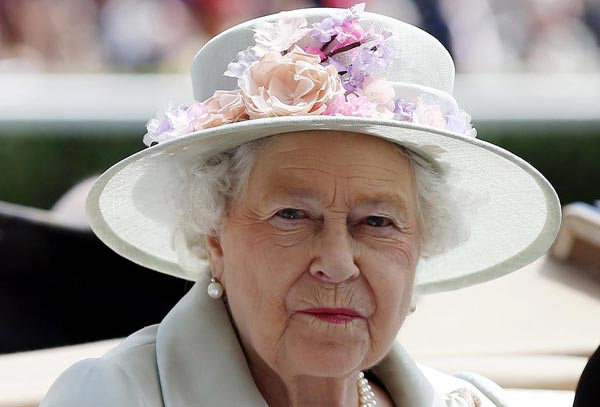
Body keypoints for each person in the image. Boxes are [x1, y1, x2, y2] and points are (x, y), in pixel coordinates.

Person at [41, 4, 561, 406]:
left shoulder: (468, 401)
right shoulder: (114, 396)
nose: (336, 263)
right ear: (215, 236)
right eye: (292, 215)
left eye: (377, 222)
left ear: (420, 244)